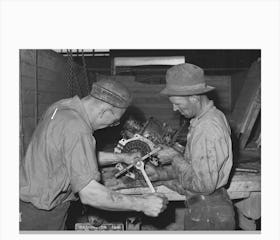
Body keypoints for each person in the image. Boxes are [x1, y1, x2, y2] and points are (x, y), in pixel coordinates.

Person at [20, 79, 168, 230]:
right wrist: (143, 203)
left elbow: (73, 155)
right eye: (115, 121)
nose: (111, 125)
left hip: (26, 201)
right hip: (40, 214)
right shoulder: (78, 128)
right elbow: (90, 194)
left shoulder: (61, 108)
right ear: (105, 111)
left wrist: (122, 157)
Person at [145, 63, 235, 230]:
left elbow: (203, 186)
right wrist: (160, 174)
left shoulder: (207, 128)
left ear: (194, 97)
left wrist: (174, 157)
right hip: (206, 208)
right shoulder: (206, 118)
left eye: (178, 103)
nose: (174, 108)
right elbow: (195, 168)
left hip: (208, 214)